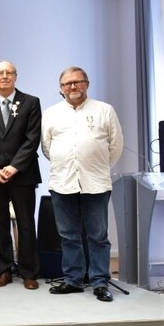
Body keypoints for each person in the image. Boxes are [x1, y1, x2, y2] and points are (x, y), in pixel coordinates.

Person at [42, 67, 123, 302]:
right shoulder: (51, 113)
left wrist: (96, 165)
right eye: (67, 83)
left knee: (98, 236)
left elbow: (116, 146)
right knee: (68, 235)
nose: (73, 87)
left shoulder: (104, 110)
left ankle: (100, 282)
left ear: (87, 83)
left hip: (95, 183)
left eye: (77, 82)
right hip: (62, 182)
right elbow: (47, 147)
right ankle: (73, 280)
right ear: (61, 88)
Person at [0, 60, 42, 290]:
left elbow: (32, 138)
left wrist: (14, 167)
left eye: (9, 72)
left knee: (26, 224)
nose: (4, 76)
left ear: (15, 76)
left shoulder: (31, 102)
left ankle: (29, 272)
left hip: (23, 174)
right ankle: (3, 270)